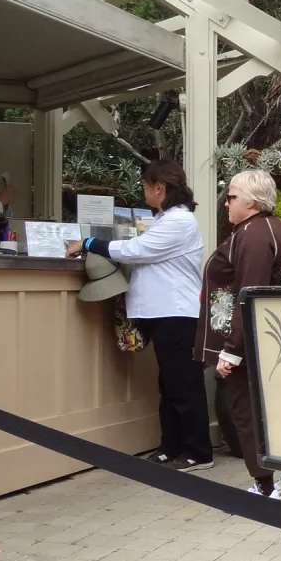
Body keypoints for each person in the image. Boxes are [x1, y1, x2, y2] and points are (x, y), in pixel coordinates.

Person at [69, 158, 210, 471]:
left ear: (159, 188)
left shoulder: (179, 221)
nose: (143, 190)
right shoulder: (165, 218)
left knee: (183, 386)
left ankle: (198, 452)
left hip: (178, 314)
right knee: (169, 385)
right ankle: (171, 446)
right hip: (165, 314)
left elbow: (136, 250)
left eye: (145, 185)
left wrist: (90, 243)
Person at [196, 169, 281, 495]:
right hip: (276, 338)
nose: (226, 203)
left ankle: (266, 486)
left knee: (247, 413)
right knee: (275, 410)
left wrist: (231, 350)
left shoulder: (253, 235)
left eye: (231, 196)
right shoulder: (280, 229)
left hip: (252, 344)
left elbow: (249, 294)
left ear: (251, 202)